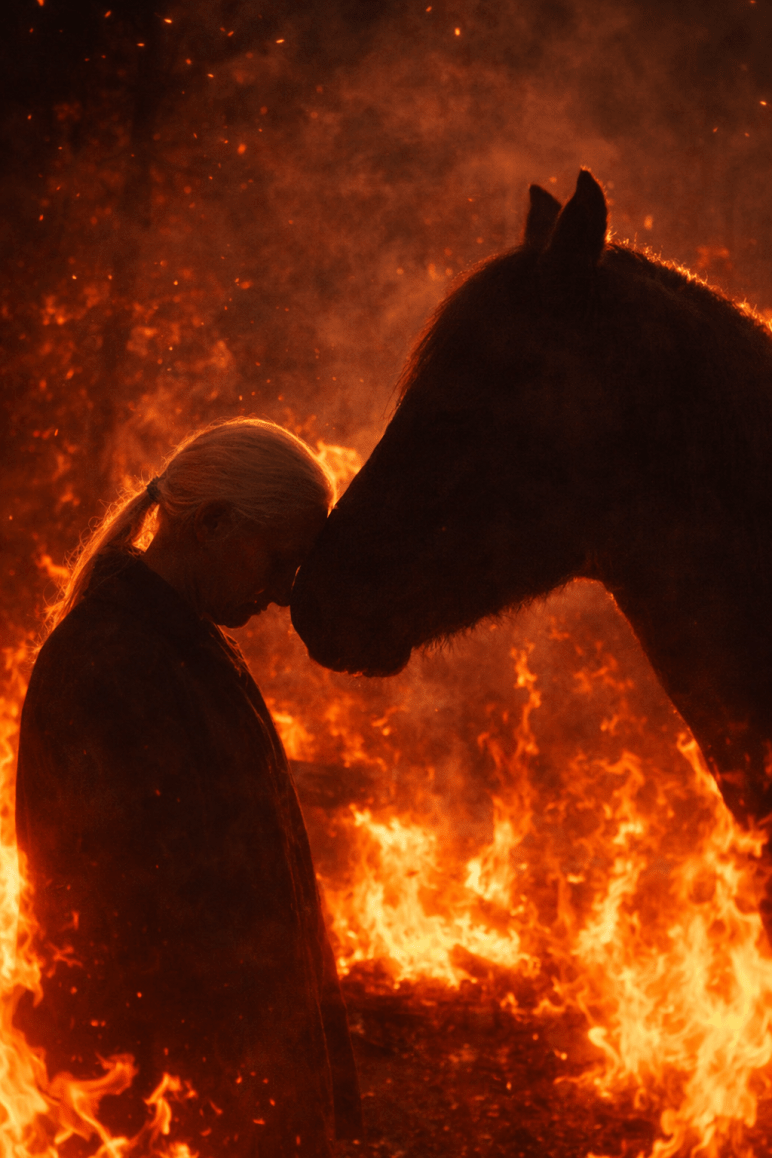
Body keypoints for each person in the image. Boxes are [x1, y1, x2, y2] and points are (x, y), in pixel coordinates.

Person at [15, 418, 362, 1157]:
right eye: (277, 560)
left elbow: (195, 814)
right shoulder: (110, 656)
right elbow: (118, 902)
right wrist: (195, 1097)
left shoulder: (180, 643)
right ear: (211, 523)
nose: (281, 592)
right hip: (171, 1091)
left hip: (227, 1072)